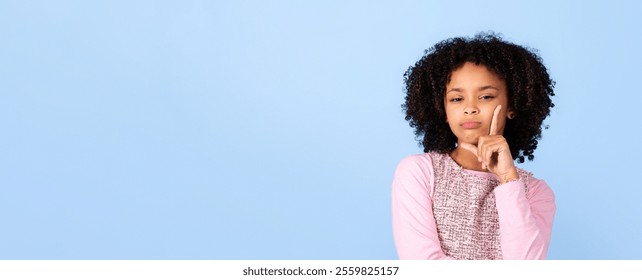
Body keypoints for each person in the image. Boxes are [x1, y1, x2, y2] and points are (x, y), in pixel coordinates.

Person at [391, 33, 556, 260]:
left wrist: (508, 179)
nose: (470, 108)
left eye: (486, 96)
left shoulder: (535, 192)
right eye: (457, 99)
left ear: (512, 106)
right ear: (444, 111)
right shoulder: (419, 172)